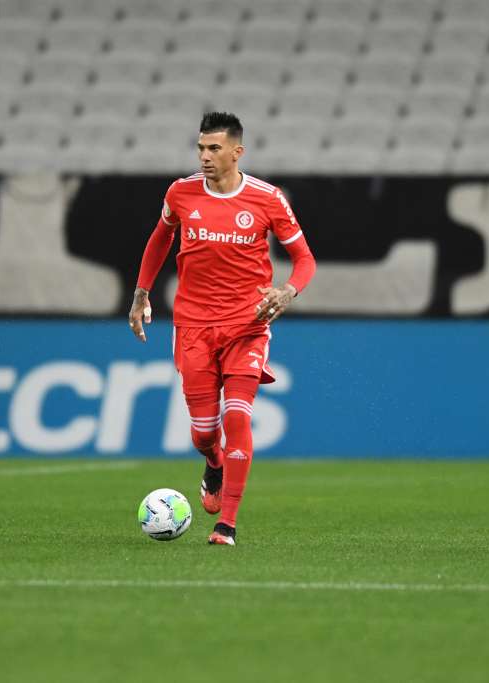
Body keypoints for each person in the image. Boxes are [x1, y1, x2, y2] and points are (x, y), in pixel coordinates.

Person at [128, 111, 316, 546]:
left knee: (237, 416)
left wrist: (287, 291)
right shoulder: (181, 193)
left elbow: (305, 259)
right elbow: (160, 239)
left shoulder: (268, 199)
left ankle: (226, 524)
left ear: (237, 152)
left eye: (214, 149)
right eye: (200, 148)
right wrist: (141, 293)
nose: (205, 156)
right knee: (204, 432)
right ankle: (212, 462)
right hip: (192, 325)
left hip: (247, 325)